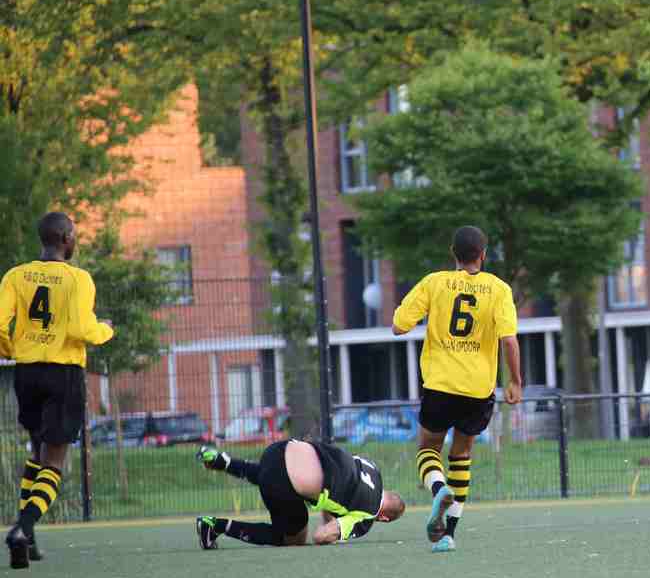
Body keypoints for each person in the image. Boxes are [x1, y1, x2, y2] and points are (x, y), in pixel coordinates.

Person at [392, 225, 522, 552]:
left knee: (427, 448)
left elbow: (398, 326)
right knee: (462, 455)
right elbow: (509, 340)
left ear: (453, 253)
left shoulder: (434, 283)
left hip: (440, 384)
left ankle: (439, 490)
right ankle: (448, 535)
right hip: (478, 390)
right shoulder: (499, 289)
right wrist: (515, 381)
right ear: (483, 255)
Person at [0, 212, 114, 569]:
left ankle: (29, 540)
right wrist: (106, 330)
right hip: (63, 373)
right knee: (54, 462)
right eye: (74, 234)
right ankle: (21, 530)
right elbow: (81, 329)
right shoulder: (78, 279)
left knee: (37, 451)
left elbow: (0, 324)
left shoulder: (16, 276)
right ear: (66, 238)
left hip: (27, 371)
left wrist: (11, 349)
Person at [195, 440, 405, 547]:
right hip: (282, 482)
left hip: (279, 449)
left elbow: (339, 481)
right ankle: (214, 526)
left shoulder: (372, 468)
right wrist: (334, 535)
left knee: (272, 473)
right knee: (294, 538)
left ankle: (223, 462)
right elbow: (320, 536)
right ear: (384, 518)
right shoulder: (367, 515)